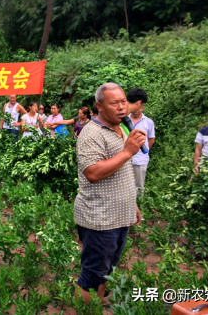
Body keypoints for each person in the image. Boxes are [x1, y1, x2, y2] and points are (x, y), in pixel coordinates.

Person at [74, 82, 145, 305]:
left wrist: (131, 203)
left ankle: (98, 299)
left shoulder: (121, 127)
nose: (122, 107)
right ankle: (87, 308)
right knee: (93, 273)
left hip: (119, 214)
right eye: (114, 103)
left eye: (124, 101)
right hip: (100, 218)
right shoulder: (91, 133)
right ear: (100, 106)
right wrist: (127, 152)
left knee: (107, 267)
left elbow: (121, 171)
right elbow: (92, 173)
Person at [126, 89, 155, 197]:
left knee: (139, 185)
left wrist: (142, 150)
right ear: (139, 103)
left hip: (140, 159)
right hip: (125, 159)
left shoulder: (148, 122)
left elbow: (151, 140)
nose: (139, 109)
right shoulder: (124, 120)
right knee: (126, 185)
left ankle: (139, 205)